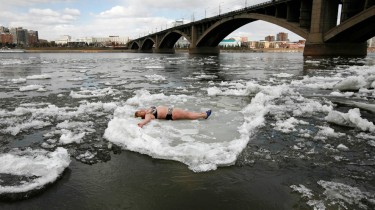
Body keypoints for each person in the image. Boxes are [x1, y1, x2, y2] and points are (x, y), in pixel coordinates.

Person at [135, 106, 212, 128]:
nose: (141, 112)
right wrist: (142, 124)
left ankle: (202, 114)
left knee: (188, 113)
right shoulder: (148, 115)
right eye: (140, 113)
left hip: (172, 112)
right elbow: (147, 120)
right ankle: (204, 115)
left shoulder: (148, 110)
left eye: (140, 111)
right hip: (171, 113)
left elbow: (152, 108)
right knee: (188, 115)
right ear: (142, 116)